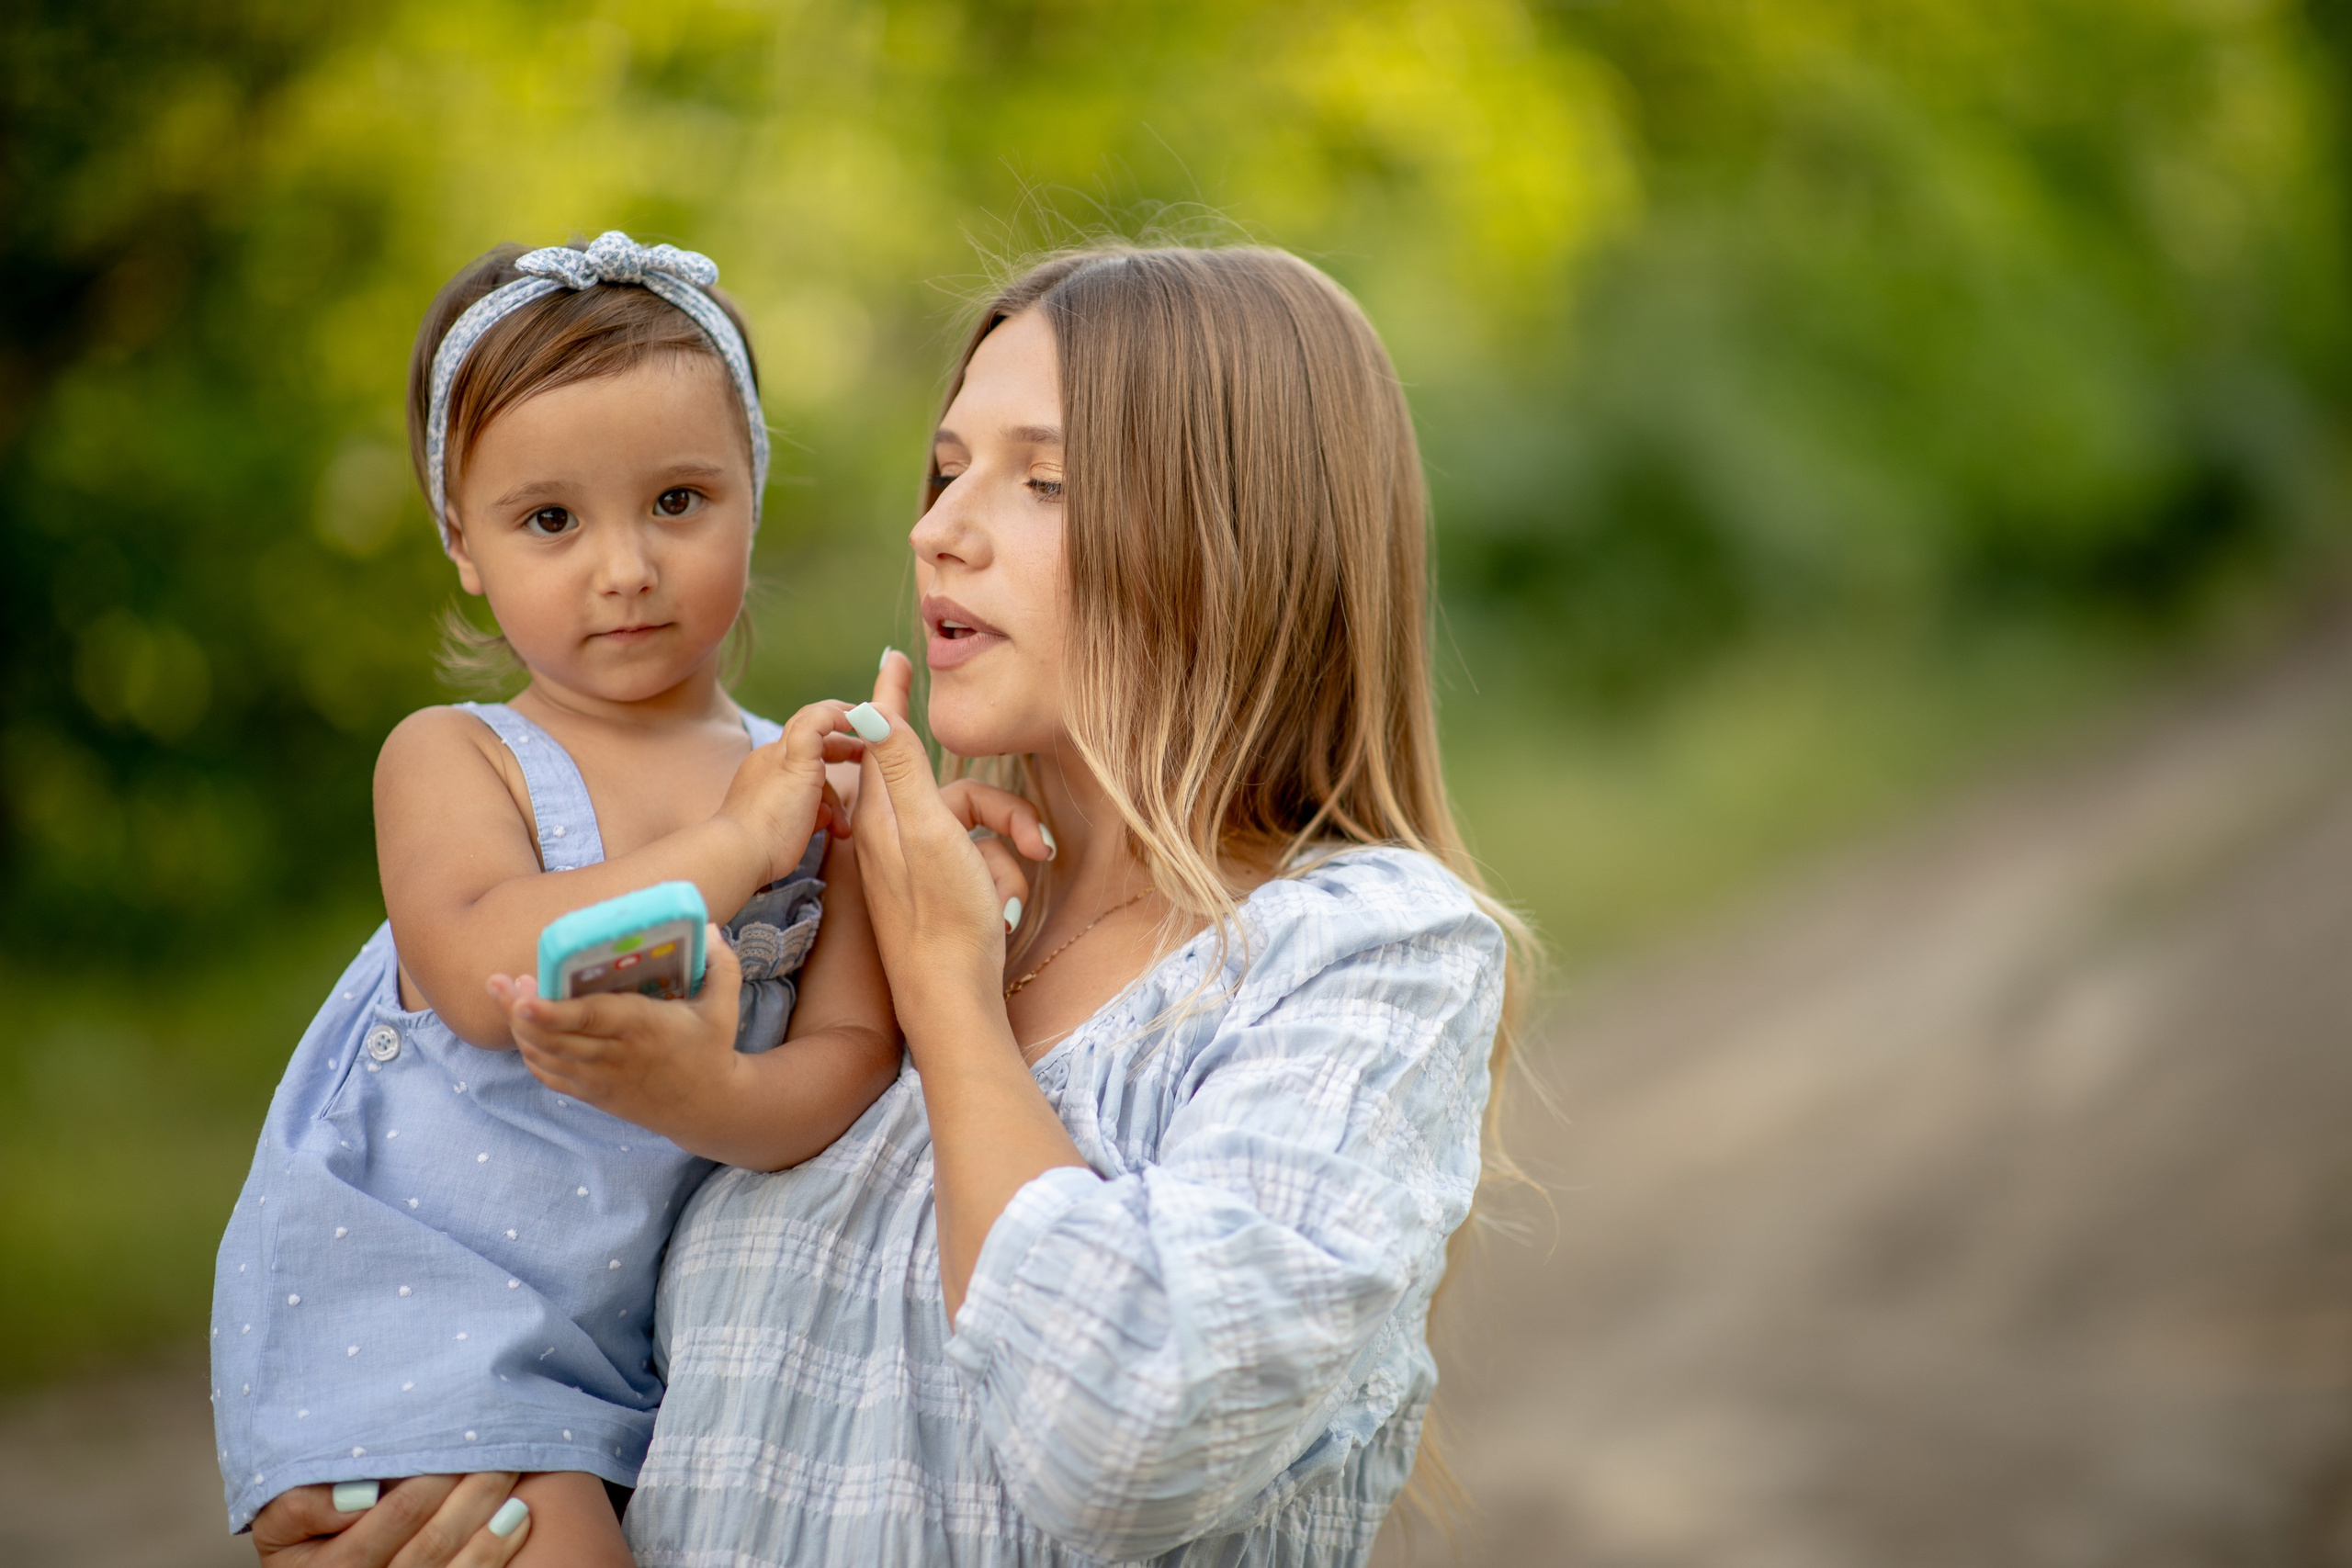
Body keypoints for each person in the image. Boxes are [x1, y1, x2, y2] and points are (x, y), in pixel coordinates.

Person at [214, 231, 901, 1566]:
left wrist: (719, 1099)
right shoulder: (456, 757)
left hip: (622, 1353)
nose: (625, 567)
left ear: (752, 492)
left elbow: (851, 1055)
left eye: (678, 501)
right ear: (460, 545)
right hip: (425, 1305)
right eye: (550, 520)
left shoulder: (814, 791)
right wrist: (735, 845)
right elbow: (482, 972)